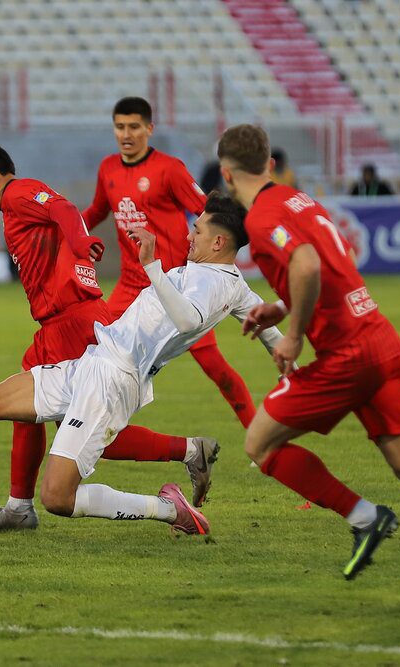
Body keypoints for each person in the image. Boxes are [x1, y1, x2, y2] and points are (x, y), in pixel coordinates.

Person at [0, 192, 284, 540]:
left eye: (198, 231)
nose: (190, 235)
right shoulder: (231, 284)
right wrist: (290, 366)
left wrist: (152, 265)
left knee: (57, 498)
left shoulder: (213, 284)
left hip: (113, 380)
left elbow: (188, 320)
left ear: (218, 242)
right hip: (93, 360)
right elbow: (267, 328)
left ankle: (166, 509)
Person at [0, 142, 220, 536]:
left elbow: (64, 209)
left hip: (76, 324)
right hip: (59, 325)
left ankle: (189, 452)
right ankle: (19, 506)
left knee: (89, 437)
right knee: (26, 411)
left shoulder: (19, 192)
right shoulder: (16, 204)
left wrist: (81, 242)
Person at [218, 124, 400, 580]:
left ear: (227, 175)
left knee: (259, 444)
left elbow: (306, 263)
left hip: (348, 357)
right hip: (381, 339)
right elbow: (337, 253)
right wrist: (282, 307)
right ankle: (369, 518)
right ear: (270, 165)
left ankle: (366, 518)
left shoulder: (263, 219)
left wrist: (295, 334)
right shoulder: (300, 200)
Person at [82, 97, 257, 433]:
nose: (126, 134)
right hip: (130, 285)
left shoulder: (169, 169)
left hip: (176, 288)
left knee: (215, 368)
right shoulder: (108, 168)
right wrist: (70, 232)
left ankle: (260, 439)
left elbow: (211, 214)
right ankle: (86, 427)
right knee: (92, 349)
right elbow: (98, 210)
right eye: (120, 127)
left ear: (150, 128)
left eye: (134, 126)